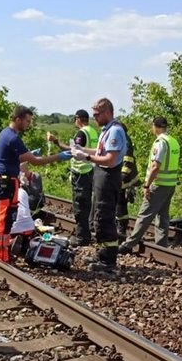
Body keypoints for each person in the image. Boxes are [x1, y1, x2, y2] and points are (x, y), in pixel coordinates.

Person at [0, 105, 72, 263]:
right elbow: (35, 162)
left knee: (8, 219)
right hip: (5, 182)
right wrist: (59, 157)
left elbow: (16, 158)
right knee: (4, 218)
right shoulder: (13, 138)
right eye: (27, 121)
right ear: (18, 119)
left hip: (8, 181)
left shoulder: (7, 134)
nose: (28, 124)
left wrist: (27, 155)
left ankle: (4, 251)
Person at [71, 98, 126, 272]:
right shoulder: (105, 130)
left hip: (109, 176)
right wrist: (82, 151)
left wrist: (86, 158)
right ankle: (102, 253)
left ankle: (108, 261)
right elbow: (100, 151)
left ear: (107, 112)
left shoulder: (115, 131)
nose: (94, 118)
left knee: (105, 217)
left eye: (97, 114)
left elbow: (110, 160)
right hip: (102, 175)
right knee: (99, 216)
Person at [118, 117, 179, 254]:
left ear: (155, 127)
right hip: (170, 184)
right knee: (163, 216)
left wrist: (147, 185)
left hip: (158, 184)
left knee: (144, 215)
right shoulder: (173, 141)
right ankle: (161, 246)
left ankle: (128, 244)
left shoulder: (160, 142)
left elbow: (155, 166)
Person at [48, 109, 98, 245]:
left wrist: (56, 142)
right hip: (89, 171)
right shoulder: (93, 131)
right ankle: (86, 233)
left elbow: (72, 151)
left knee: (80, 205)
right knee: (86, 204)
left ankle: (82, 237)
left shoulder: (82, 133)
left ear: (78, 119)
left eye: (75, 119)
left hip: (81, 173)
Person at [114, 122, 139, 239]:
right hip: (121, 177)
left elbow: (127, 160)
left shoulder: (126, 141)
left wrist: (122, 176)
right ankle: (119, 226)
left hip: (125, 179)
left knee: (120, 203)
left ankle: (121, 228)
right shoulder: (123, 139)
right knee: (119, 203)